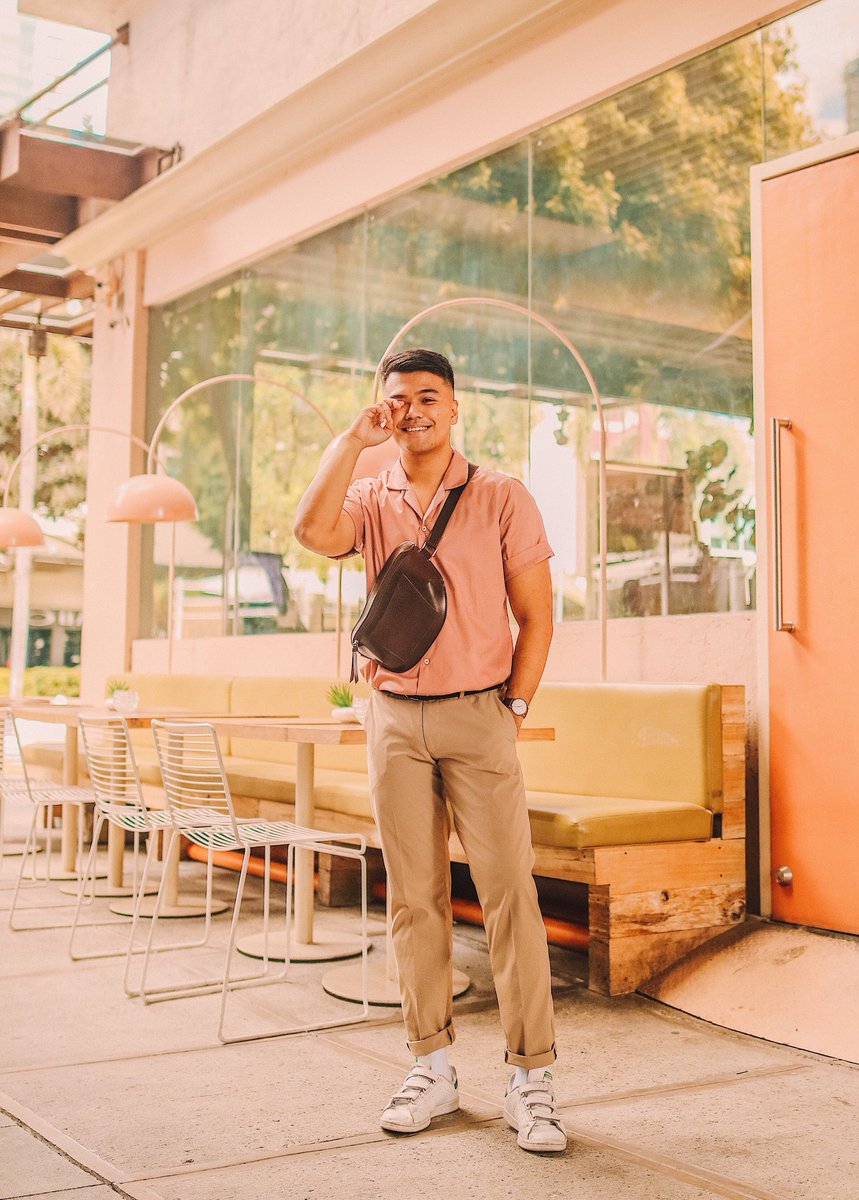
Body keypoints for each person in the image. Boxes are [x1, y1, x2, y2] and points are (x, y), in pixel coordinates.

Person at [294, 348, 566, 1154]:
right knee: (413, 898)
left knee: (509, 890)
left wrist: (512, 707)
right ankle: (431, 1067)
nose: (412, 410)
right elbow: (310, 532)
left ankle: (532, 1078)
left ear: (454, 408)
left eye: (427, 397)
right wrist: (351, 440)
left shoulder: (500, 496)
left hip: (480, 715)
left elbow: (537, 615)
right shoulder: (369, 498)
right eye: (397, 400)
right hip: (392, 718)